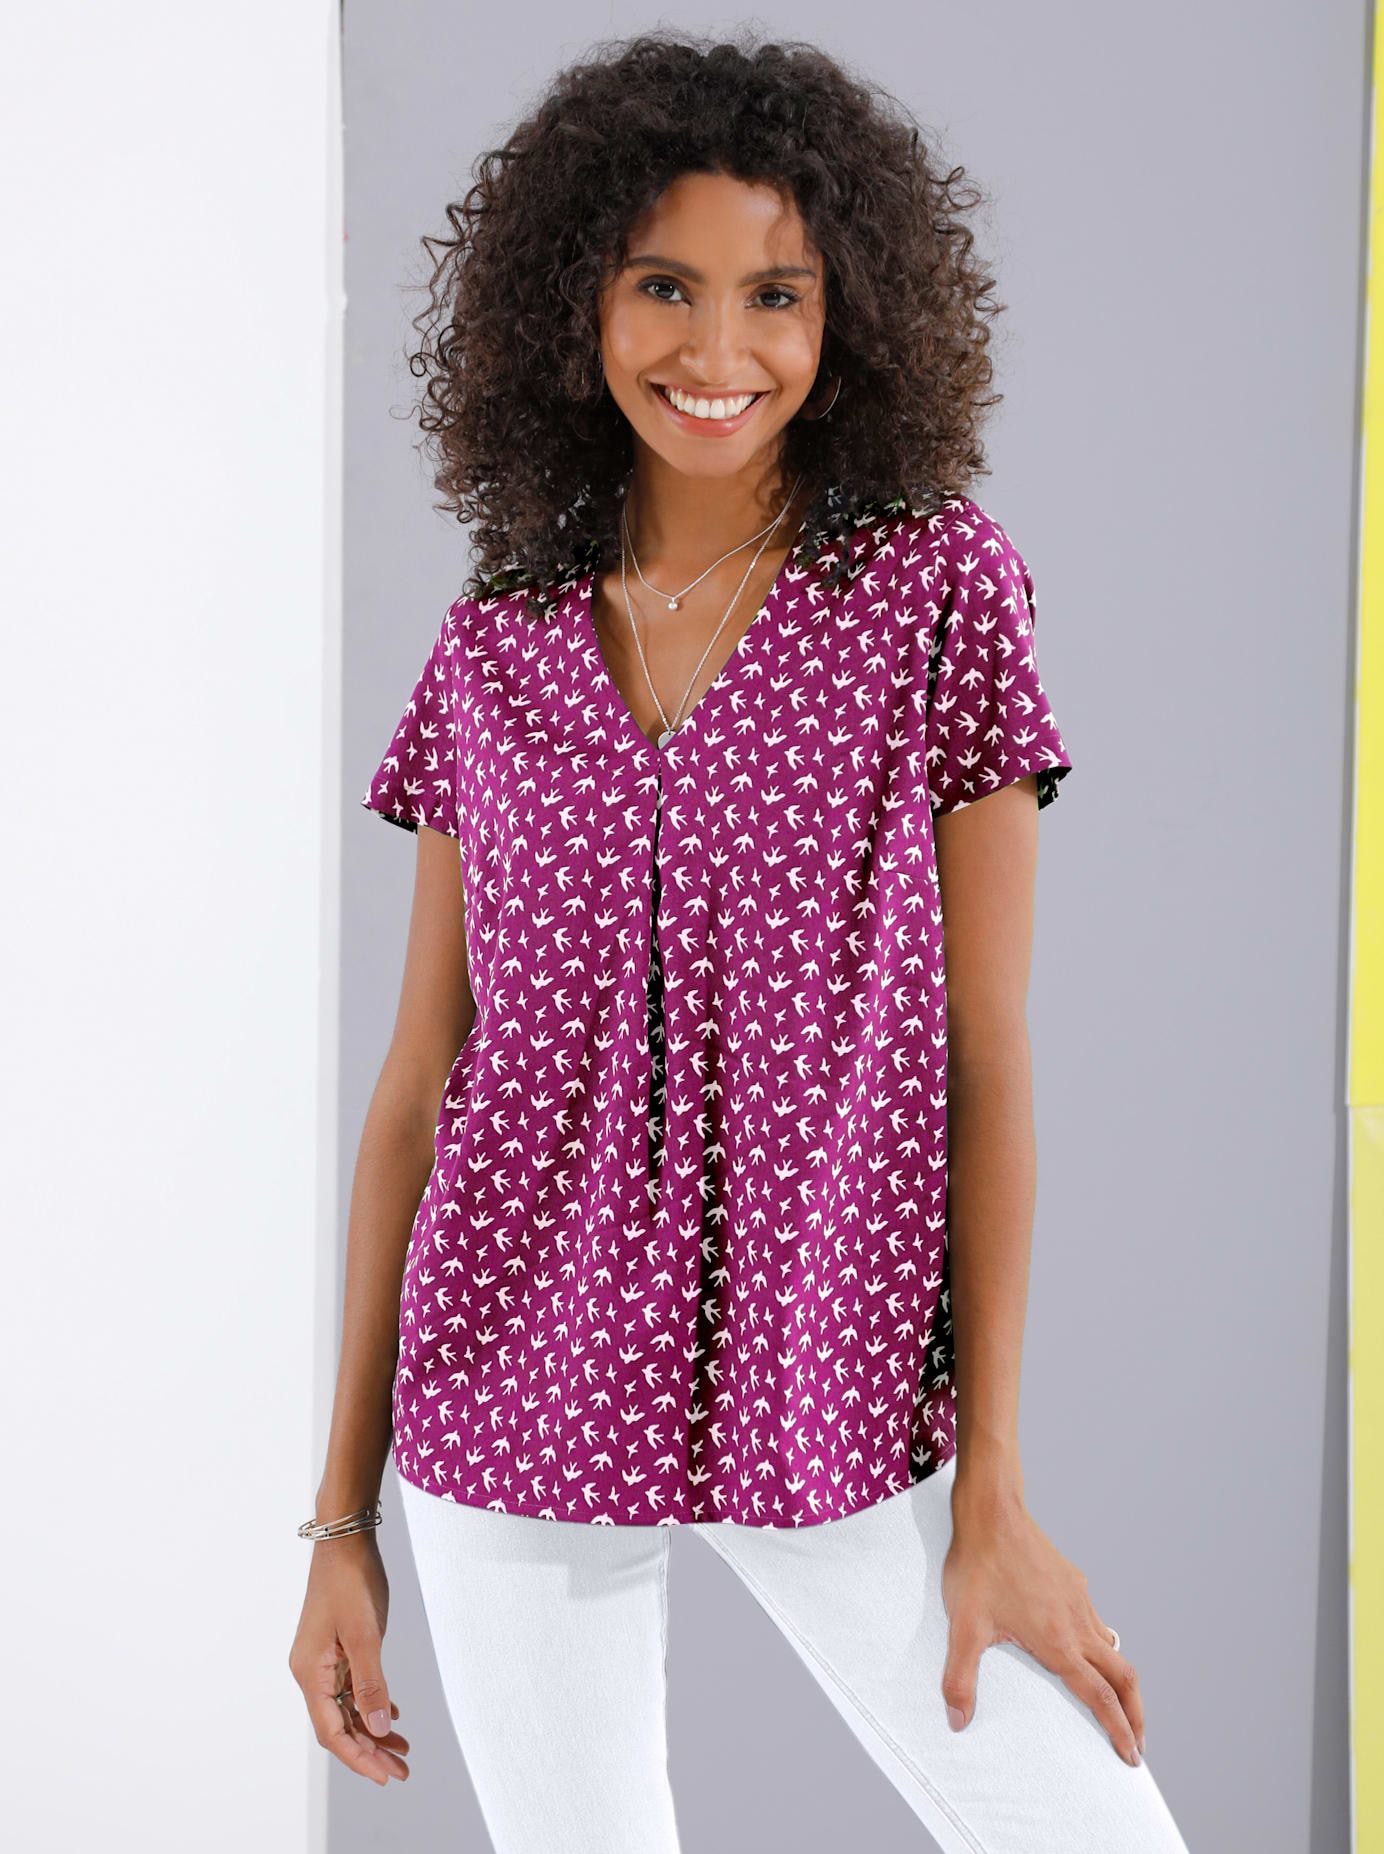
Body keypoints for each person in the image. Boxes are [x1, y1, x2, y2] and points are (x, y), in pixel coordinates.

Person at [289, 27, 1192, 1854]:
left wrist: (995, 1485)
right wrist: (341, 1520)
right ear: (575, 301)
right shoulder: (498, 639)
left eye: (776, 293)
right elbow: (419, 1083)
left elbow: (986, 1052)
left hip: (828, 1371)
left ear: (847, 313)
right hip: (511, 1377)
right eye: (665, 286)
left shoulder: (934, 590)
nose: (719, 351)